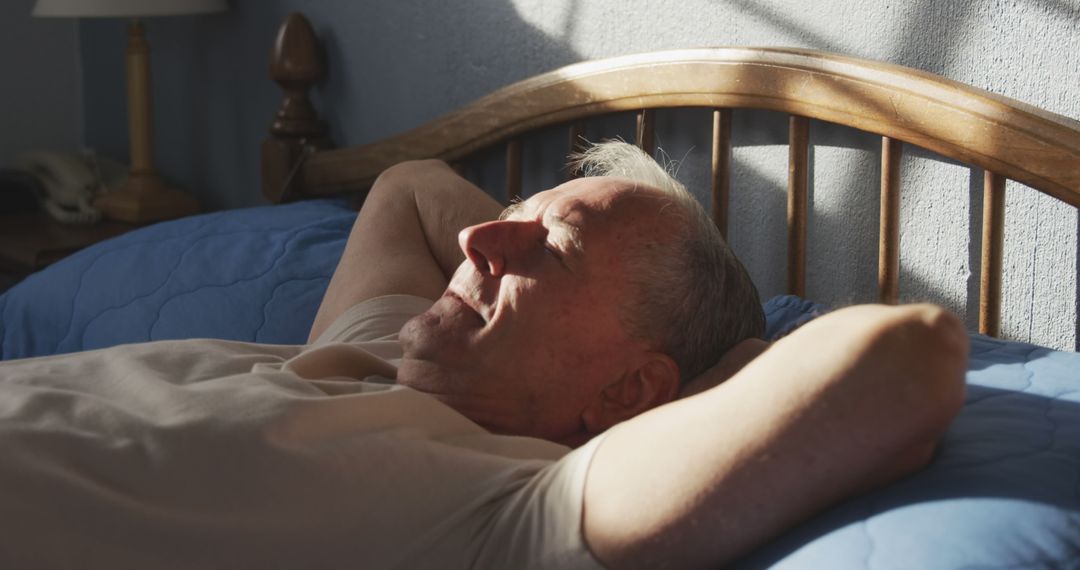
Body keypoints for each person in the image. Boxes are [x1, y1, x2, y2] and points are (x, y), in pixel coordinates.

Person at [0, 141, 967, 569]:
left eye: (545, 253)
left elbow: (907, 357)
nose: (478, 245)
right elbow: (410, 186)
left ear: (632, 386)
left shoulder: (511, 506)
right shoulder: (376, 349)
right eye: (505, 221)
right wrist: (523, 245)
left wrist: (693, 391)